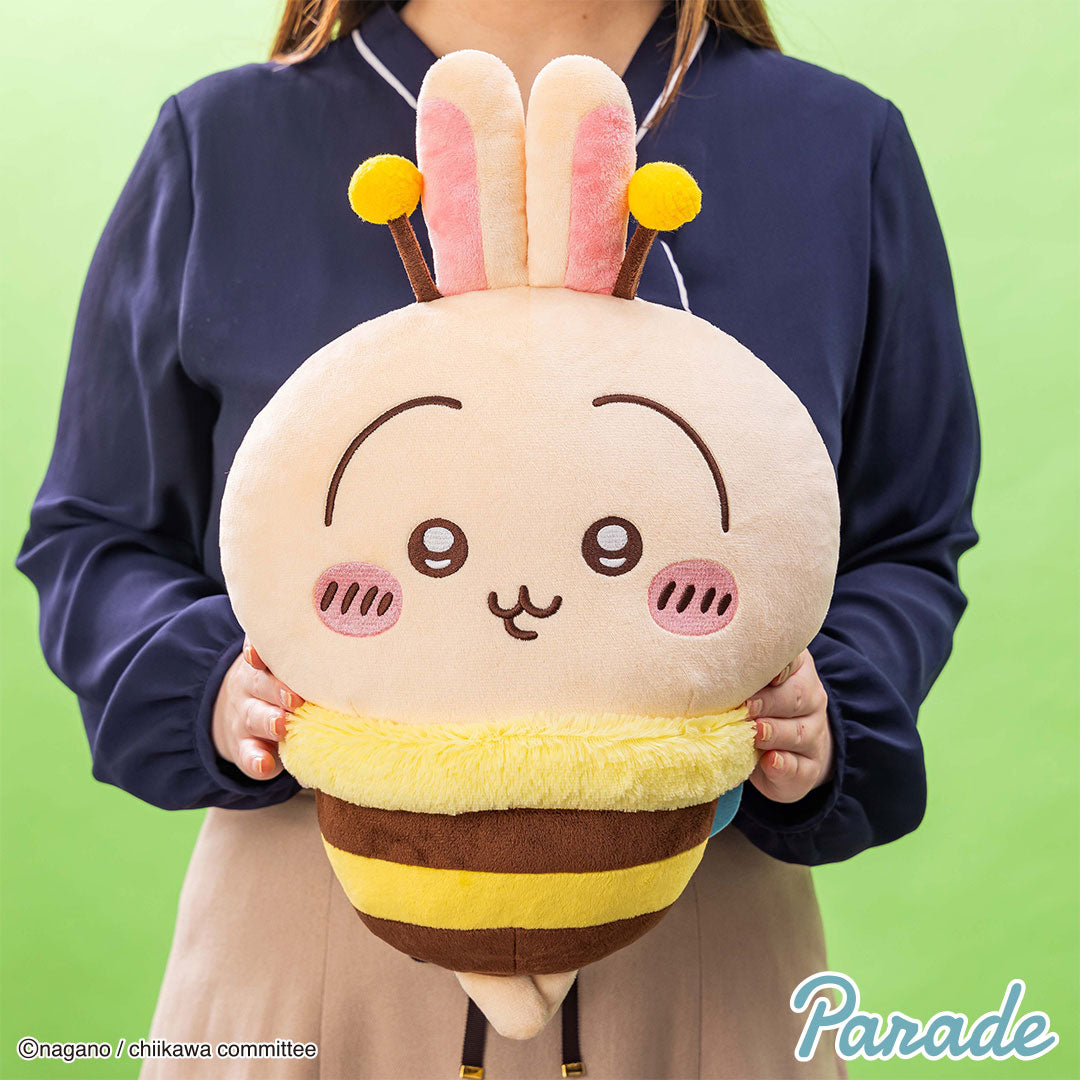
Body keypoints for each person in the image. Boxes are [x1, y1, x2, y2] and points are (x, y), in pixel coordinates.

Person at [16, 1, 979, 1076]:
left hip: (706, 938)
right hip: (314, 935)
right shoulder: (226, 142)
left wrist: (827, 711)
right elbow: (98, 536)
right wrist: (212, 688)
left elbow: (908, 533)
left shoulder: (835, 143)